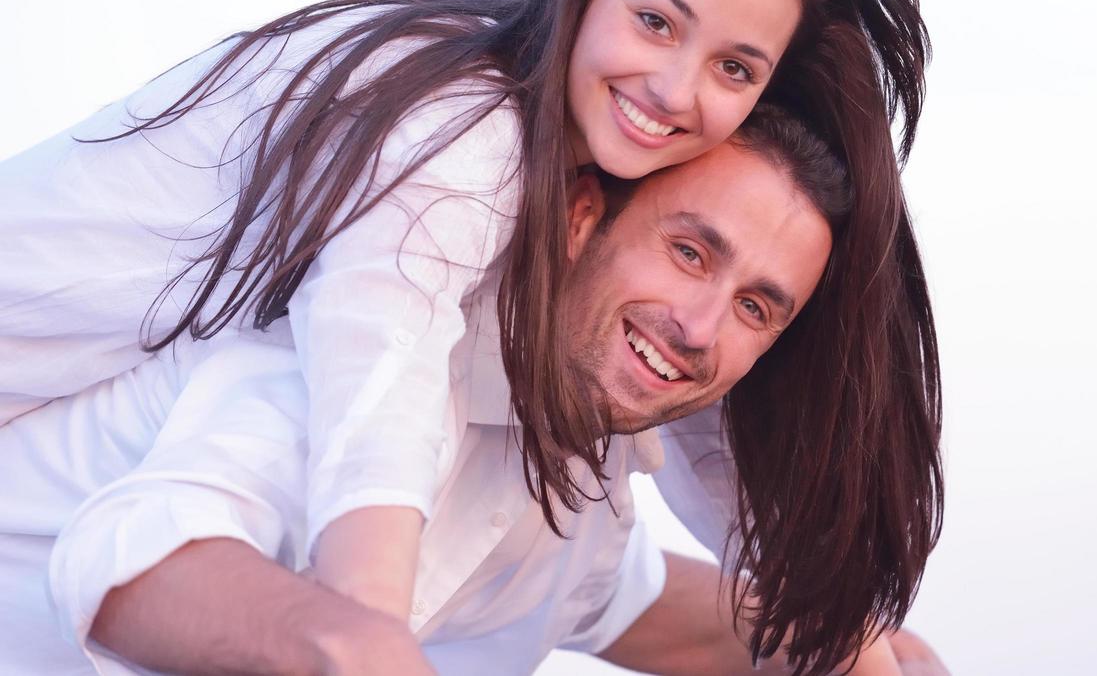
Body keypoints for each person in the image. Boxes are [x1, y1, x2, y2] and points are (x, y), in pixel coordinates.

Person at [0, 0, 940, 671]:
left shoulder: (569, 447)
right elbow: (377, 388)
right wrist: (359, 638)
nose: (673, 86)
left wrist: (848, 644)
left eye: (733, 67)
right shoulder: (462, 138)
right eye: (656, 20)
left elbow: (706, 452)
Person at [0, 107, 939, 673]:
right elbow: (124, 553)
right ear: (578, 220)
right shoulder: (373, 362)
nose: (698, 326)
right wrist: (346, 647)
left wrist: (858, 649)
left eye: (754, 308)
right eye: (688, 252)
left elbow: (638, 609)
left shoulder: (587, 483)